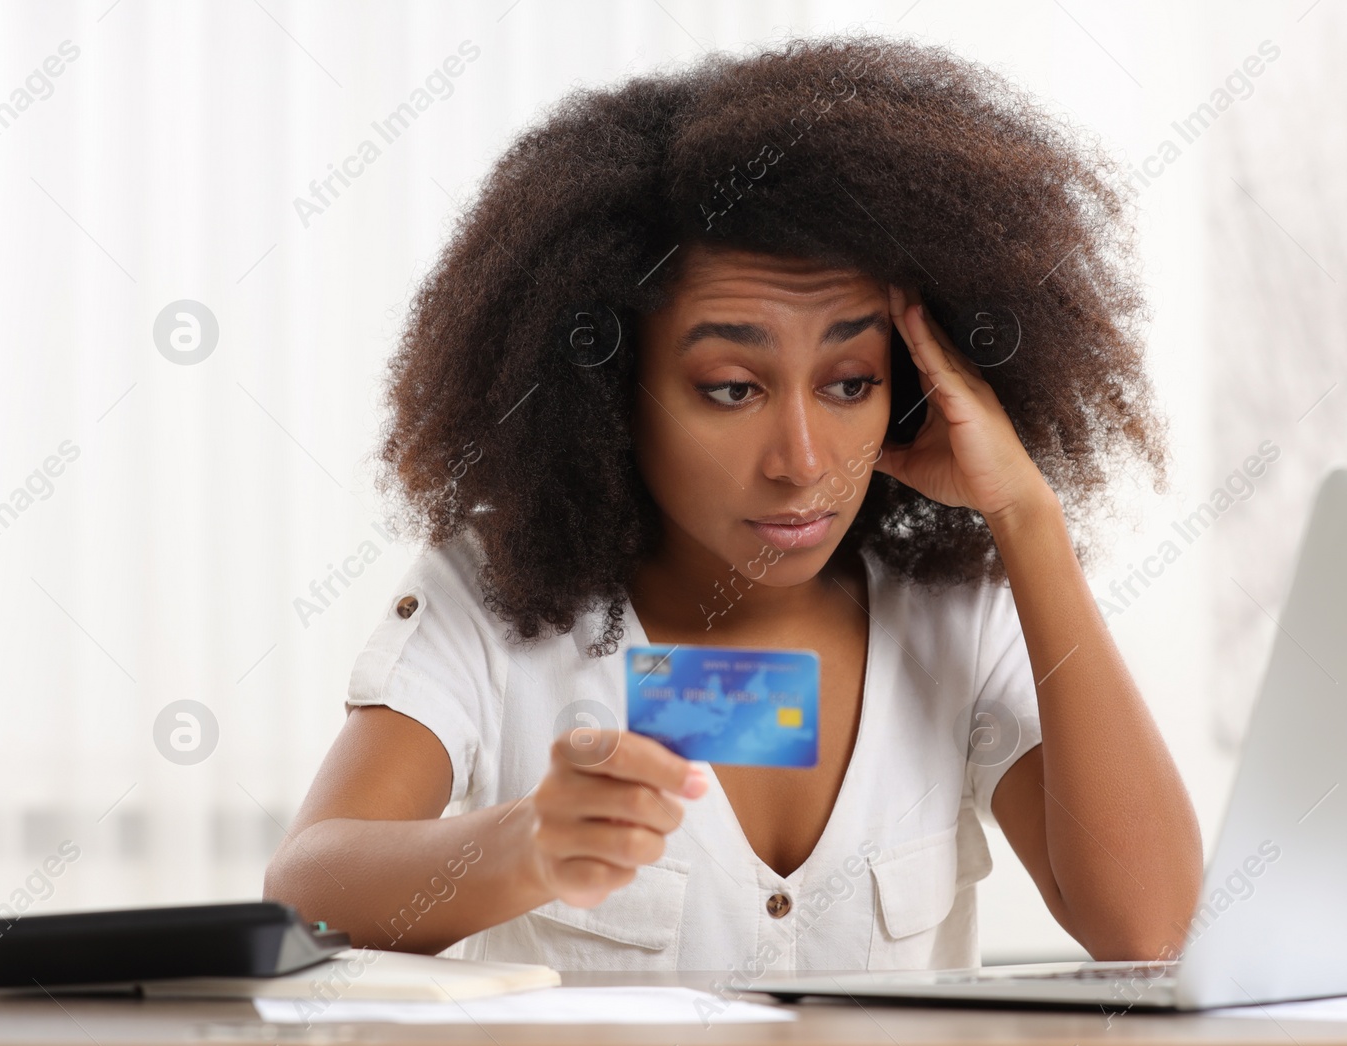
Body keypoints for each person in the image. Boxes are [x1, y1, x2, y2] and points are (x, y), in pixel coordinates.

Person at [264, 32, 1202, 972]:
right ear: (610, 387)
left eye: (848, 382)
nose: (801, 462)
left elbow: (1149, 929)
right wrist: (524, 843)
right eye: (732, 388)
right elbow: (304, 897)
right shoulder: (500, 595)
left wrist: (1028, 520)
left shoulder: (962, 607)